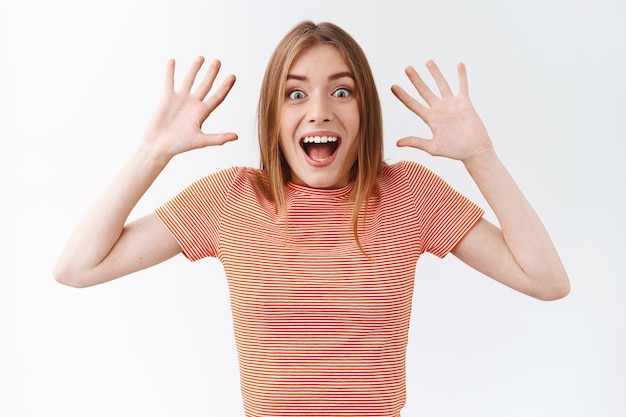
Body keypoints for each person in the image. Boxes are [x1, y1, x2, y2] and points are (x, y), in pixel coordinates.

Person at [54, 21, 569, 417]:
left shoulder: (406, 195)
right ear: (272, 118)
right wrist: (153, 152)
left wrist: (481, 155)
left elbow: (546, 280)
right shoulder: (234, 199)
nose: (319, 111)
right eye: (295, 93)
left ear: (364, 110)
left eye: (341, 91)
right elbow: (77, 267)